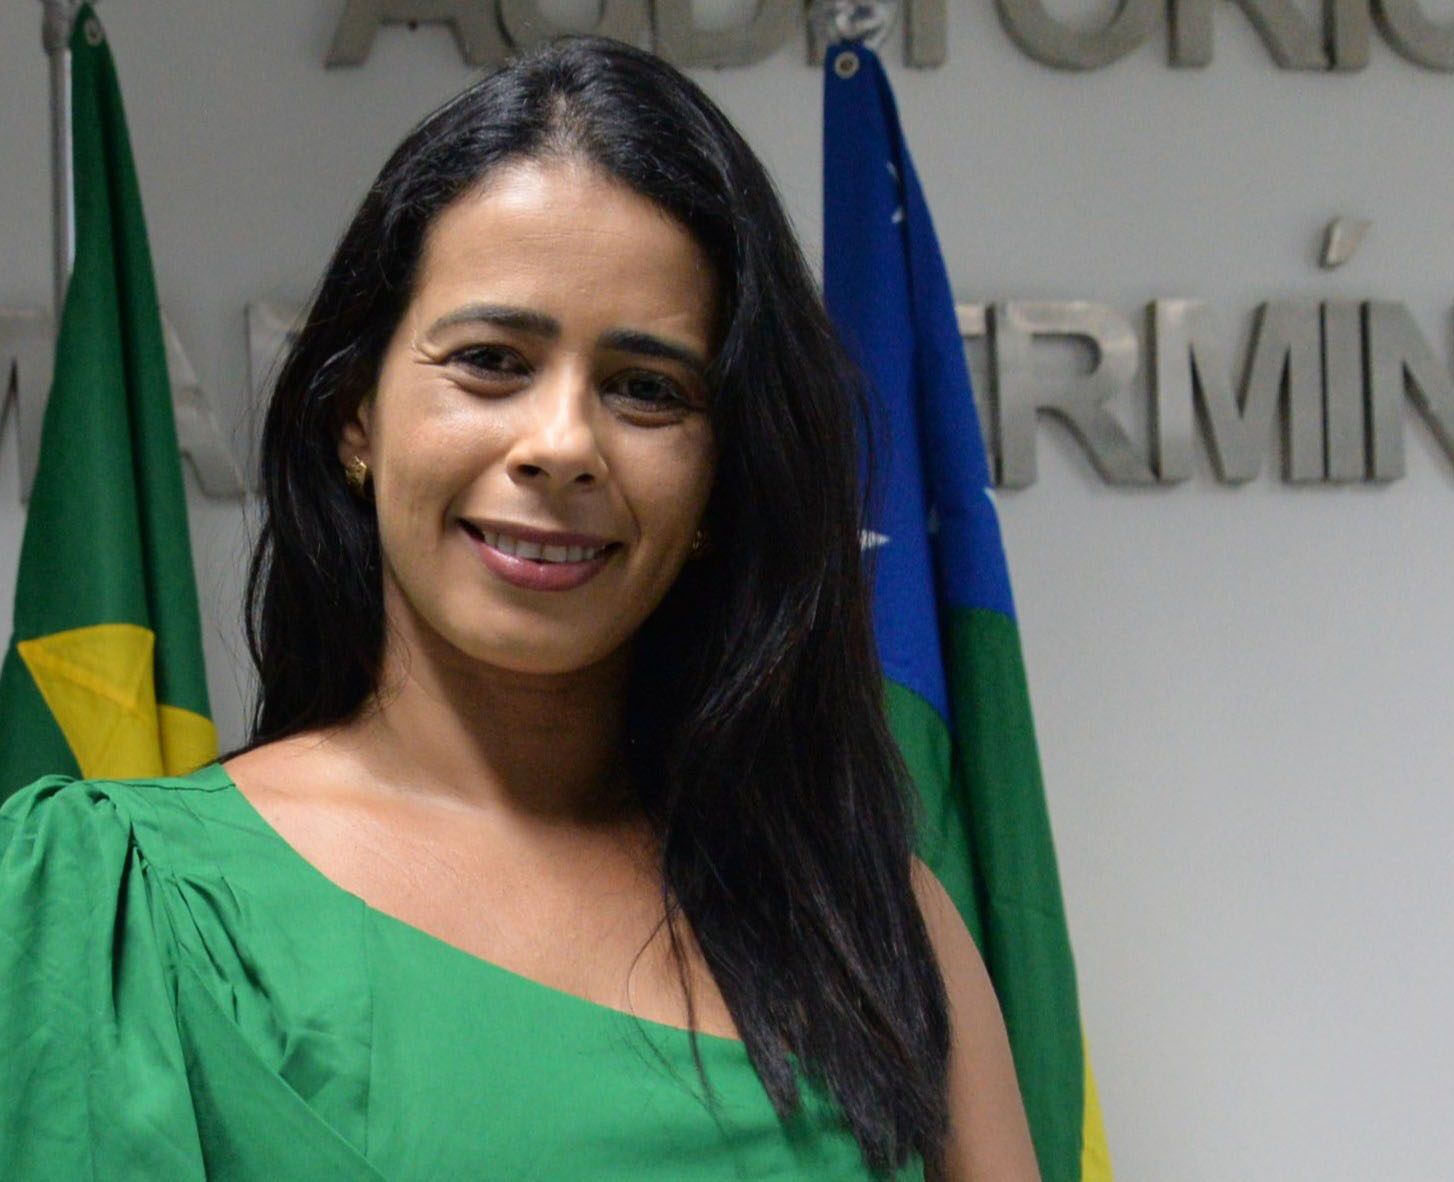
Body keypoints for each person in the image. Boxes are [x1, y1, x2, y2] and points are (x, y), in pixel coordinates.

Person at [0, 36, 1039, 1180]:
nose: (561, 445)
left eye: (645, 388)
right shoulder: (109, 902)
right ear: (355, 415)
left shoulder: (872, 929)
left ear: (720, 476)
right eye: (491, 360)